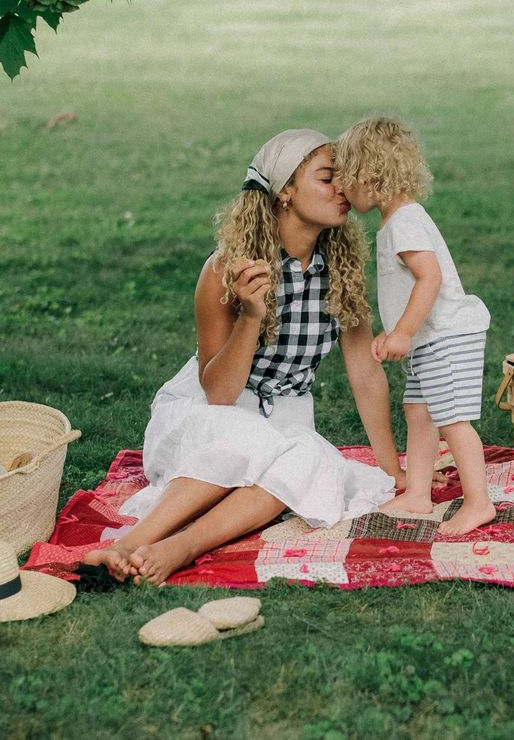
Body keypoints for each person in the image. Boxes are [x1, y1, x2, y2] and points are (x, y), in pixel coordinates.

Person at [85, 129, 404, 585]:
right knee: (253, 443)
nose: (344, 190)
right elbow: (217, 394)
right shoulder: (225, 269)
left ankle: (178, 548)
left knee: (308, 460)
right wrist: (251, 316)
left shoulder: (341, 270)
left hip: (285, 423)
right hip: (208, 414)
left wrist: (393, 471)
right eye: (328, 178)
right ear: (286, 193)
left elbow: (365, 374)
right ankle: (126, 545)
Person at [334, 117, 495, 536]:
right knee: (418, 411)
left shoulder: (405, 222)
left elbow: (430, 277)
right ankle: (419, 494)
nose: (342, 191)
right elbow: (409, 289)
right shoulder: (397, 221)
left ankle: (479, 502)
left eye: (345, 178)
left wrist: (403, 332)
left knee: (451, 418)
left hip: (445, 335)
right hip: (428, 337)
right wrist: (396, 331)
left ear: (367, 175)